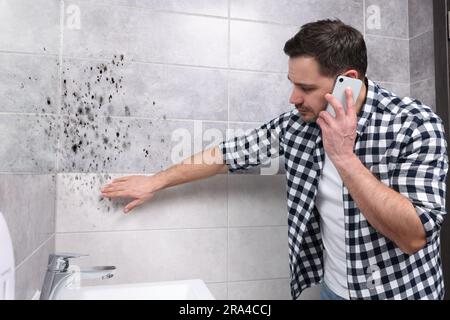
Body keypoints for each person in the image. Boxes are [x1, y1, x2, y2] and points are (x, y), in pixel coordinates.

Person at [100, 19, 448, 300]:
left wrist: (343, 157)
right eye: (292, 84)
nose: (293, 98)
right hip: (333, 292)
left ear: (348, 82)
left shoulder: (414, 125)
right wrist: (155, 181)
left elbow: (414, 235)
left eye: (307, 88)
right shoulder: (297, 126)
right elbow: (226, 154)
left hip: (403, 294)